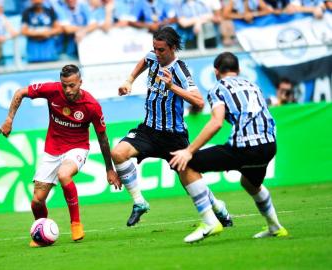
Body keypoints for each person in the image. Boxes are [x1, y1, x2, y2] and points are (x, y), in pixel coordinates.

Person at [111, 26, 232, 228]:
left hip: (173, 137)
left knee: (190, 183)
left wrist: (172, 87)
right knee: (118, 153)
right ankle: (139, 202)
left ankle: (219, 208)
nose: (156, 54)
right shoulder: (153, 57)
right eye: (155, 49)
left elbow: (199, 102)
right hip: (148, 131)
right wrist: (129, 80)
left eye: (161, 50)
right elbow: (144, 61)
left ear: (173, 48)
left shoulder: (180, 70)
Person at [170, 52, 288, 243]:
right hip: (269, 145)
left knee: (185, 164)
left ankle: (210, 221)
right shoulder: (253, 86)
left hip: (244, 147)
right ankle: (275, 226)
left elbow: (216, 122)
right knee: (250, 183)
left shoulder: (218, 88)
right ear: (238, 70)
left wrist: (188, 151)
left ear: (216, 71)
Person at [0, 64, 121, 247]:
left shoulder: (91, 106)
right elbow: (20, 92)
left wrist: (109, 169)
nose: (68, 90)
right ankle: (42, 233)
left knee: (64, 174)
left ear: (80, 82)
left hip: (77, 148)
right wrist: (9, 119)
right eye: (64, 85)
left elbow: (102, 138)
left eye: (72, 85)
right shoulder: (52, 90)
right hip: (52, 150)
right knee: (36, 202)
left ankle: (76, 224)